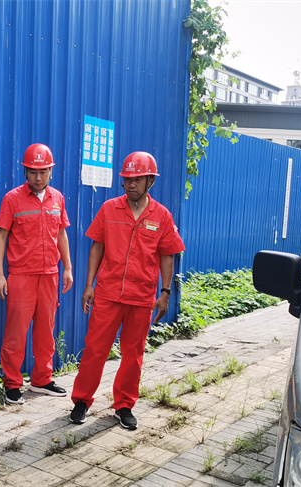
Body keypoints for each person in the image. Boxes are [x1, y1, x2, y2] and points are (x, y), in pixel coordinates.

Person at [69, 151, 185, 429]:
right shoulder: (109, 209)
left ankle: (124, 405)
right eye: (127, 179)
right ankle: (81, 401)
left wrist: (165, 293)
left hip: (142, 298)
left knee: (133, 355)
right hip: (108, 294)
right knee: (95, 349)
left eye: (137, 179)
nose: (131, 184)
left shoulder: (162, 216)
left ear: (150, 181)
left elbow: (167, 255)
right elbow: (97, 247)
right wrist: (89, 285)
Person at [0, 143, 73, 405]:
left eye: (43, 172)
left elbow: (61, 234)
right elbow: (1, 236)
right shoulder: (12, 199)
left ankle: (42, 379)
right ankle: (12, 383)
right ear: (25, 172)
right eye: (33, 172)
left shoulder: (57, 198)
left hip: (50, 274)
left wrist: (68, 268)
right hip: (21, 275)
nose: (38, 177)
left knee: (46, 332)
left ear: (51, 171)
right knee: (16, 333)